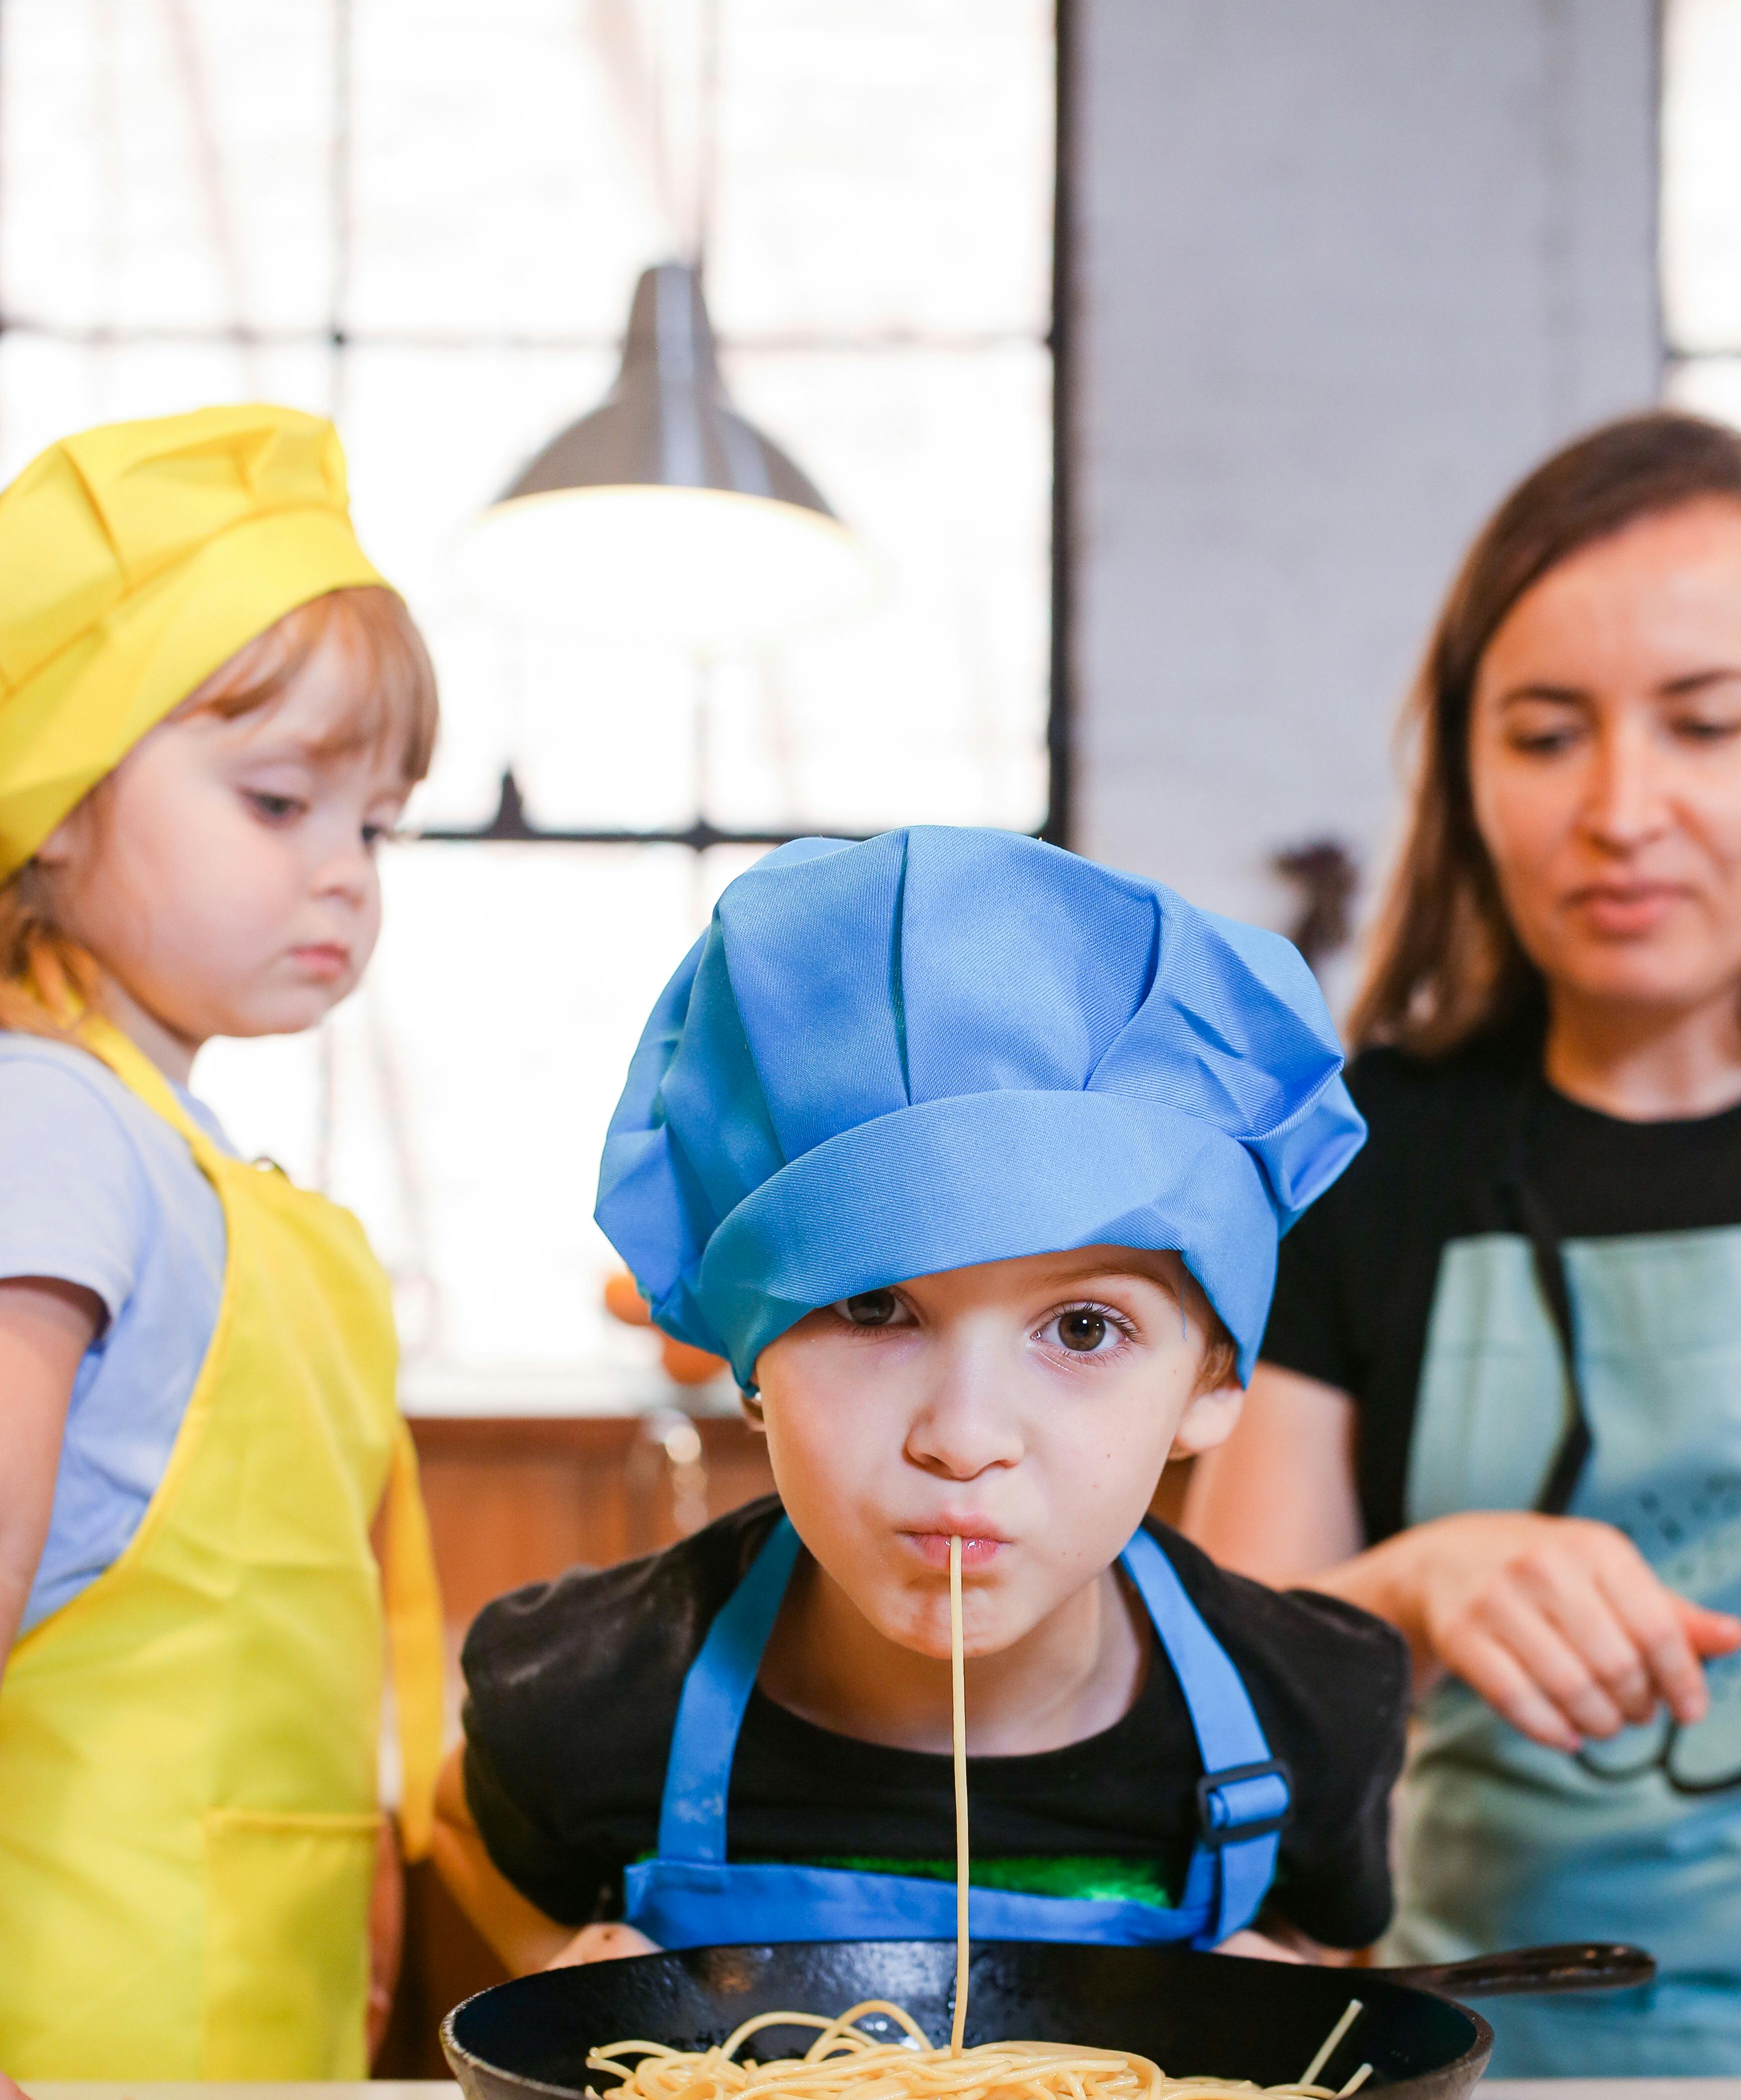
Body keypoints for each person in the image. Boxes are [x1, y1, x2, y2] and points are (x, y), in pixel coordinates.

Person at [1186, 411, 1741, 2074]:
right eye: (1544, 734)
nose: (1622, 810)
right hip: (1485, 2085)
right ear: (1466, 766)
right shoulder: (1368, 1156)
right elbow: (1215, 1730)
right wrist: (1407, 1595)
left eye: (1705, 724)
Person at [430, 827, 1409, 1973]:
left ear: (1210, 1381)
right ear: (753, 1357)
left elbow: (1337, 1944)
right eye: (875, 1311)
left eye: (1084, 1329)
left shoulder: (1310, 1718)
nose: (964, 1438)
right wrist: (555, 1956)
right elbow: (461, 1836)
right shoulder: (587, 1698)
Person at [0, 405, 445, 2100]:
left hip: (217, 2060)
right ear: (52, 799)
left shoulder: (176, 1152)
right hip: (73, 2053)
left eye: (380, 826)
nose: (341, 868)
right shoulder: (58, 1129)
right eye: (276, 801)